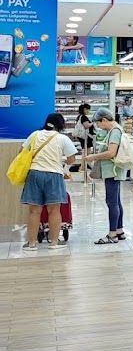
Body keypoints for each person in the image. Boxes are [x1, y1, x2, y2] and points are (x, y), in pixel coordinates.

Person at [19, 112, 78, 252]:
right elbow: (72, 159)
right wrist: (62, 163)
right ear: (60, 125)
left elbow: (21, 151)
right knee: (54, 210)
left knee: (34, 211)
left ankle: (32, 243)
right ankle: (54, 242)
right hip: (54, 175)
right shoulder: (62, 138)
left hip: (35, 173)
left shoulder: (35, 135)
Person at [83, 108, 126, 245]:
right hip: (115, 170)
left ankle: (112, 234)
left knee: (111, 202)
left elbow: (111, 153)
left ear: (105, 120)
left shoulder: (114, 132)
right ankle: (119, 230)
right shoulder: (118, 129)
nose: (99, 127)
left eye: (98, 124)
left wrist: (93, 157)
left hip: (112, 170)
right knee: (116, 201)